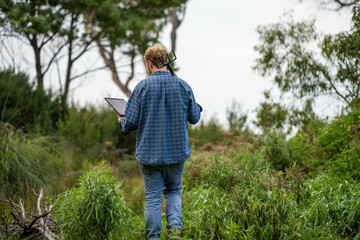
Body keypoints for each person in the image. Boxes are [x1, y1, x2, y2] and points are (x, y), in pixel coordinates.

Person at [117, 43, 201, 239]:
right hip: (177, 155)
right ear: (166, 61)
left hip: (150, 157)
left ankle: (153, 238)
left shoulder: (142, 87)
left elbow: (129, 125)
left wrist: (121, 121)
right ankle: (175, 234)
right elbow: (195, 118)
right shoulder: (183, 85)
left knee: (153, 199)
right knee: (173, 192)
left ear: (149, 63)